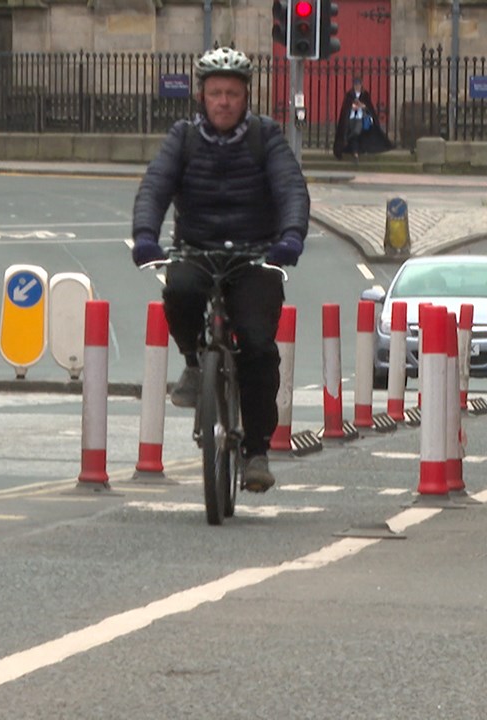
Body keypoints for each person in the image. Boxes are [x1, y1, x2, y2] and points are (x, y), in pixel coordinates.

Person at [130, 47, 310, 493]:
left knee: (257, 346)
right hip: (197, 248)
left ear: (246, 96)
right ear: (201, 96)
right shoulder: (183, 138)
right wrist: (145, 235)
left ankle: (256, 452)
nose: (224, 101)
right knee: (180, 292)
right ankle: (194, 363)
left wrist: (289, 238)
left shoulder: (266, 138)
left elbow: (291, 188)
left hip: (256, 255)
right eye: (216, 93)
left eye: (232, 93)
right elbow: (155, 185)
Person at [333, 77, 392, 164]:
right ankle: (355, 154)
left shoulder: (365, 95)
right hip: (351, 119)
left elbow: (369, 108)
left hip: (361, 118)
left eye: (359, 84)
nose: (357, 86)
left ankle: (349, 143)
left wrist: (362, 106)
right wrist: (352, 107)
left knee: (356, 132)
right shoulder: (349, 95)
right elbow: (345, 109)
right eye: (356, 84)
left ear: (361, 85)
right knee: (355, 135)